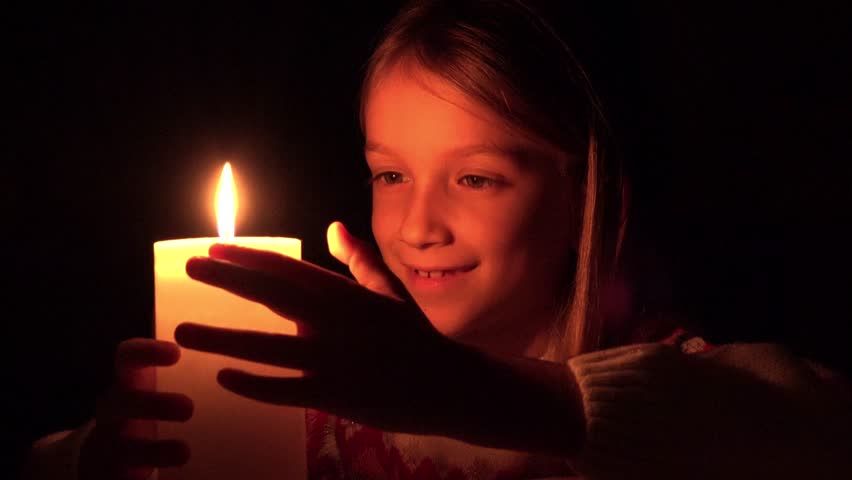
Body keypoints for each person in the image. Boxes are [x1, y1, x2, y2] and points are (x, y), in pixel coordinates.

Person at [23, 1, 852, 479]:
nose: (417, 227)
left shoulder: (684, 403)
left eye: (476, 178)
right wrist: (112, 453)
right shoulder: (309, 420)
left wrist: (460, 390)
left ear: (587, 199)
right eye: (390, 175)